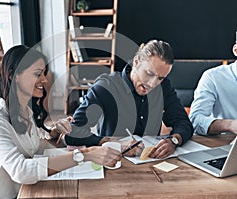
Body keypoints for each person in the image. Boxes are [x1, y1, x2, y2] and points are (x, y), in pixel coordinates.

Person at [0, 45, 121, 199]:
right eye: (37, 74)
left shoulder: (25, 112)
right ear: (13, 75)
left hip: (23, 193)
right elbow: (20, 170)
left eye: (44, 73)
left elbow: (38, 147)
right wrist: (83, 155)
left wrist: (56, 132)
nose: (44, 79)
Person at [65, 39, 194, 159]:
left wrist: (174, 140)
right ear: (136, 62)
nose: (152, 83)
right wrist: (112, 143)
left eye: (160, 78)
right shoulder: (106, 87)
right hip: (112, 163)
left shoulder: (163, 87)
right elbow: (73, 132)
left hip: (151, 163)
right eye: (149, 73)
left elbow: (183, 122)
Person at [189, 39, 237, 135]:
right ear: (236, 50)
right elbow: (195, 120)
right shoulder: (213, 77)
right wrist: (230, 125)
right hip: (228, 143)